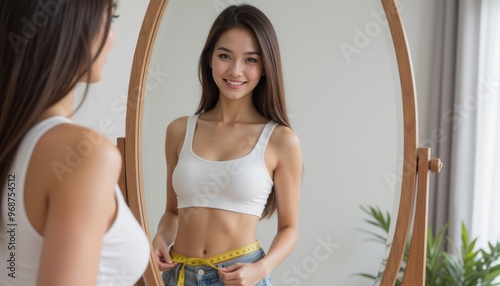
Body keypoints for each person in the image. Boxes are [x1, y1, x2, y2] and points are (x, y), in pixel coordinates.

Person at [0, 1, 149, 285]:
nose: (112, 36)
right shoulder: (83, 154)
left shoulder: (14, 141)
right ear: (67, 25)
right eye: (110, 17)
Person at [152, 4, 303, 286]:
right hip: (179, 276)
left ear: (265, 67)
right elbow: (173, 212)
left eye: (250, 60)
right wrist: (161, 237)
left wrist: (261, 268)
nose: (235, 70)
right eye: (225, 56)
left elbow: (290, 227)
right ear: (209, 59)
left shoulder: (281, 140)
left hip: (241, 277)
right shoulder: (179, 130)